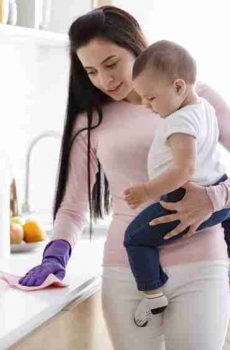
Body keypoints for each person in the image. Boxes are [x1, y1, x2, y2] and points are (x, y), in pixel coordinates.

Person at [19, 6, 230, 350]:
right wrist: (55, 256)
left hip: (201, 265)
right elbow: (73, 208)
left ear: (135, 46)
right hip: (126, 273)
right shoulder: (91, 121)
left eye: (111, 64)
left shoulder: (194, 96)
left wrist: (215, 198)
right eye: (91, 71)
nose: (105, 80)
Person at [120, 40, 230, 328]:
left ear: (179, 87)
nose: (146, 105)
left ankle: (153, 292)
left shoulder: (179, 121)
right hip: (219, 188)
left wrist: (147, 190)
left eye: (151, 98)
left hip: (183, 199)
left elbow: (185, 169)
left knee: (135, 238)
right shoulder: (204, 107)